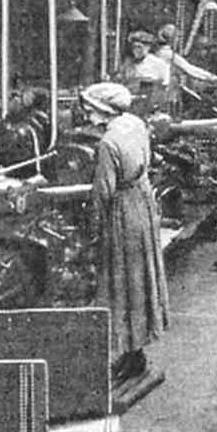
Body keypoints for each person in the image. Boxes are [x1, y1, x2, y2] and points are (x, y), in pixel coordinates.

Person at [82, 82, 169, 380]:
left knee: (124, 284)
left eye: (90, 109)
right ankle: (135, 351)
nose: (88, 115)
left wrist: (93, 225)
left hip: (122, 212)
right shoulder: (135, 123)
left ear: (102, 109)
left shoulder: (108, 142)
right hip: (142, 201)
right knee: (141, 279)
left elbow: (103, 190)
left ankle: (132, 355)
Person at [117, 30, 172, 109]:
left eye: (139, 47)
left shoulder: (158, 64)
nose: (136, 50)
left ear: (148, 47)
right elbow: (122, 83)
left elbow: (164, 86)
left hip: (151, 104)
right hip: (129, 103)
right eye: (134, 47)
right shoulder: (128, 64)